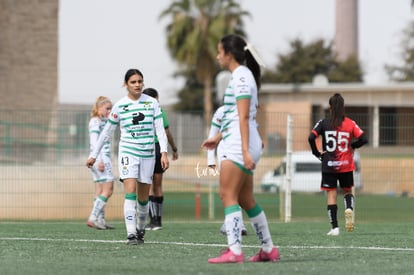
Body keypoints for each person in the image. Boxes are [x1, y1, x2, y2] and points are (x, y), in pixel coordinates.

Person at [201, 34, 280, 263]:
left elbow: (244, 117)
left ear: (229, 54)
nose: (217, 56)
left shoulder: (241, 78)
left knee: (227, 195)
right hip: (238, 139)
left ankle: (235, 251)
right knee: (246, 199)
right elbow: (236, 117)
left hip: (239, 144)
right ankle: (268, 249)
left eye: (219, 51)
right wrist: (217, 137)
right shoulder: (242, 76)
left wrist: (245, 150)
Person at [86, 69, 169, 245]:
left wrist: (164, 152)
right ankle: (131, 233)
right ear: (126, 84)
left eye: (140, 81)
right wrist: (94, 155)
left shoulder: (152, 103)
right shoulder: (120, 106)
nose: (137, 84)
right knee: (130, 191)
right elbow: (107, 131)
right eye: (133, 82)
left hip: (147, 153)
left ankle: (140, 228)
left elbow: (160, 129)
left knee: (143, 198)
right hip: (128, 153)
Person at [308, 93, 368, 236]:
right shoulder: (350, 123)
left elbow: (311, 137)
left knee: (331, 196)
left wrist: (317, 153)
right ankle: (349, 208)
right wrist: (353, 145)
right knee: (347, 191)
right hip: (346, 164)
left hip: (329, 165)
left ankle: (335, 228)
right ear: (342, 107)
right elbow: (364, 138)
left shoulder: (323, 123)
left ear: (330, 107)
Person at [207, 105, 248, 236]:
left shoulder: (246, 108)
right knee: (226, 190)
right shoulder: (221, 111)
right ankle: (231, 221)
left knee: (239, 189)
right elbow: (213, 133)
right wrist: (210, 159)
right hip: (225, 152)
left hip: (242, 151)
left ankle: (237, 223)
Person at [142, 87, 179, 230]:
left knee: (149, 185)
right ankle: (158, 220)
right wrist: (174, 148)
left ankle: (153, 221)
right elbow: (167, 132)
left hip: (148, 148)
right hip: (159, 148)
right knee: (158, 186)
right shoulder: (160, 111)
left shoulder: (143, 111)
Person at [86, 96, 115, 230]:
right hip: (100, 159)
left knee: (100, 190)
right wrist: (100, 160)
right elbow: (94, 141)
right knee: (108, 190)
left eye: (111, 108)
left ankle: (100, 220)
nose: (109, 111)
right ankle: (93, 217)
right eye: (107, 108)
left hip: (98, 159)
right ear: (98, 109)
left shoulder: (103, 121)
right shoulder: (95, 121)